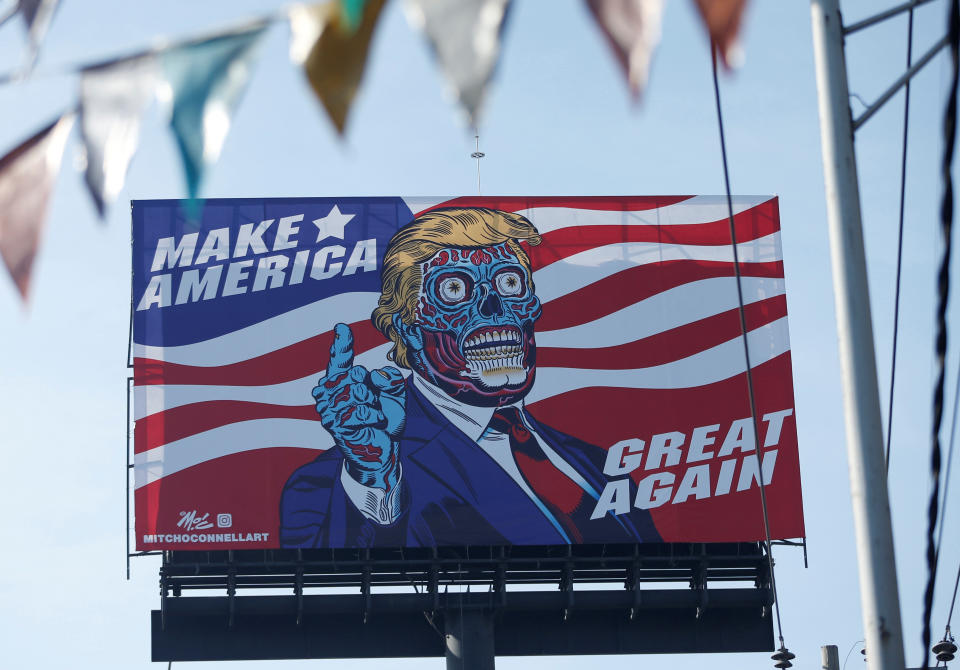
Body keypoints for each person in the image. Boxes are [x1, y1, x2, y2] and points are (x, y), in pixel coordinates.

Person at [279, 207, 660, 547]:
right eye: (453, 289)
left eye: (510, 283)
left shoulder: (598, 464)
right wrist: (376, 476)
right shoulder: (331, 483)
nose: (494, 307)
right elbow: (345, 582)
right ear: (408, 328)